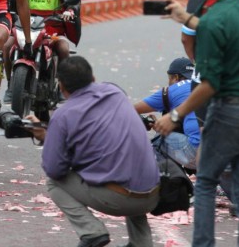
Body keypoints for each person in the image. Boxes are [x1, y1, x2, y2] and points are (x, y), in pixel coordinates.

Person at [155, 0, 239, 246]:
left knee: (205, 181)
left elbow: (209, 84)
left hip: (229, 109)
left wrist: (175, 115)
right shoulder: (235, 5)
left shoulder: (214, 18)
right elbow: (218, 28)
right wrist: (187, 19)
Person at [38, 56, 159, 247]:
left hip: (119, 199)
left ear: (61, 87)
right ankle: (141, 243)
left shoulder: (63, 115)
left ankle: (91, 231)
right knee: (129, 164)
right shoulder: (115, 92)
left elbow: (55, 169)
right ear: (93, 78)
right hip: (153, 193)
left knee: (53, 183)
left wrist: (48, 137)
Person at [3, 0, 81, 102]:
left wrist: (70, 10)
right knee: (7, 46)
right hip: (25, 25)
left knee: (64, 48)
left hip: (52, 28)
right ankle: (11, 85)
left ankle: (61, 86)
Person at [134, 57, 200, 170]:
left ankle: (169, 181)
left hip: (196, 151)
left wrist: (144, 121)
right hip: (222, 150)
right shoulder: (204, 85)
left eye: (169, 78)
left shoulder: (171, 91)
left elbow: (129, 109)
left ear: (175, 77)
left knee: (159, 141)